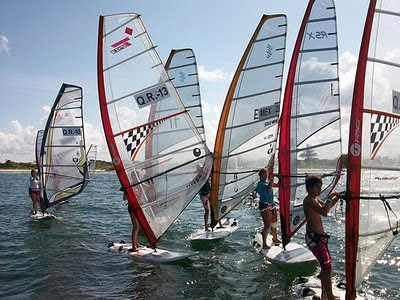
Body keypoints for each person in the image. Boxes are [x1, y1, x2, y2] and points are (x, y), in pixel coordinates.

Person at [303, 175, 340, 300]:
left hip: (320, 238)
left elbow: (327, 207)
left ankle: (324, 288)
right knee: (327, 268)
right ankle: (329, 297)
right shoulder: (309, 200)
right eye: (317, 187)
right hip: (314, 239)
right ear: (309, 188)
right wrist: (330, 197)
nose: (320, 189)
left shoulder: (315, 198)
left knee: (327, 268)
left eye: (321, 187)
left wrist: (338, 197)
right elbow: (324, 212)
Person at [257, 167, 281, 249]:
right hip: (264, 205)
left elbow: (277, 185)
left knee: (274, 222)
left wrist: (280, 178)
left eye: (266, 175)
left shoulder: (267, 181)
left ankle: (275, 238)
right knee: (267, 225)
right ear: (260, 176)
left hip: (272, 204)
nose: (265, 176)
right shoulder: (260, 184)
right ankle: (264, 244)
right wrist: (273, 177)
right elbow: (269, 187)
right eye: (264, 175)